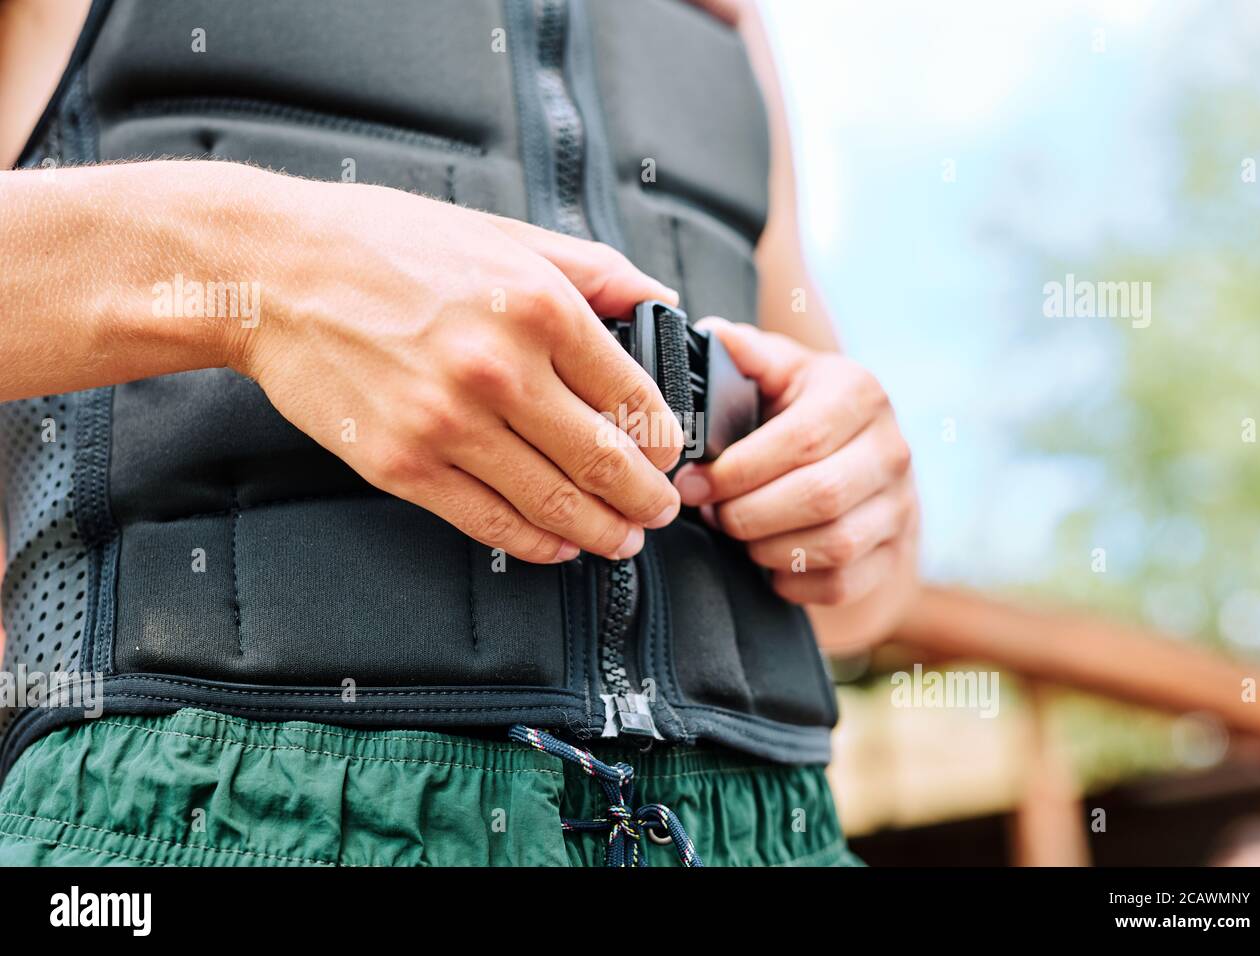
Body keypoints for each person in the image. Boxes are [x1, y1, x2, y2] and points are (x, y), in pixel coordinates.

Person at [0, 0, 918, 866]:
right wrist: (262, 273)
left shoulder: (728, 24)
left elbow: (859, 606)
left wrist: (862, 503)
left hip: (764, 823)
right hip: (221, 810)